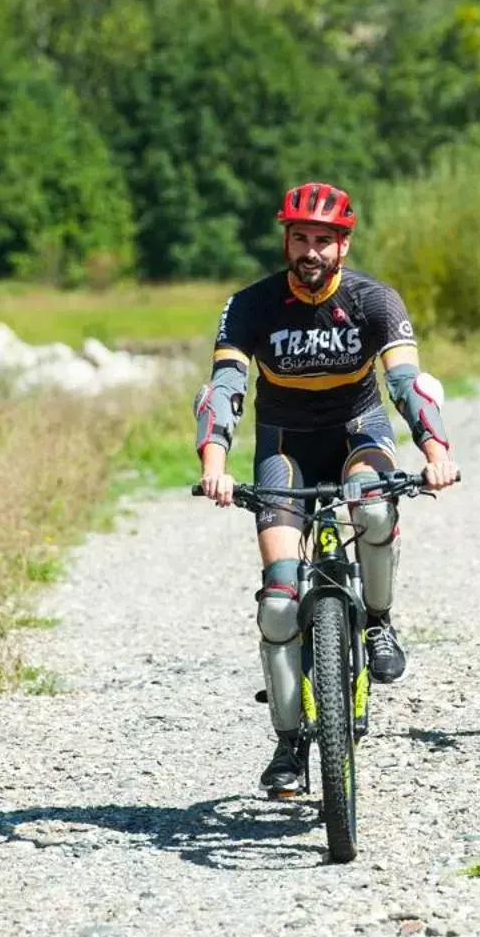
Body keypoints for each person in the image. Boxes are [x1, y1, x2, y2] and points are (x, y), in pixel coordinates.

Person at [195, 182, 461, 796]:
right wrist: (215, 464)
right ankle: (288, 744)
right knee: (280, 602)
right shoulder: (251, 305)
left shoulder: (374, 300)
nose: (310, 250)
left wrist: (436, 453)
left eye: (323, 239)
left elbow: (407, 384)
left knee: (372, 509)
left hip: (356, 433)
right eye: (300, 238)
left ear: (344, 245)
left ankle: (380, 621)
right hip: (283, 445)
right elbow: (226, 389)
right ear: (285, 241)